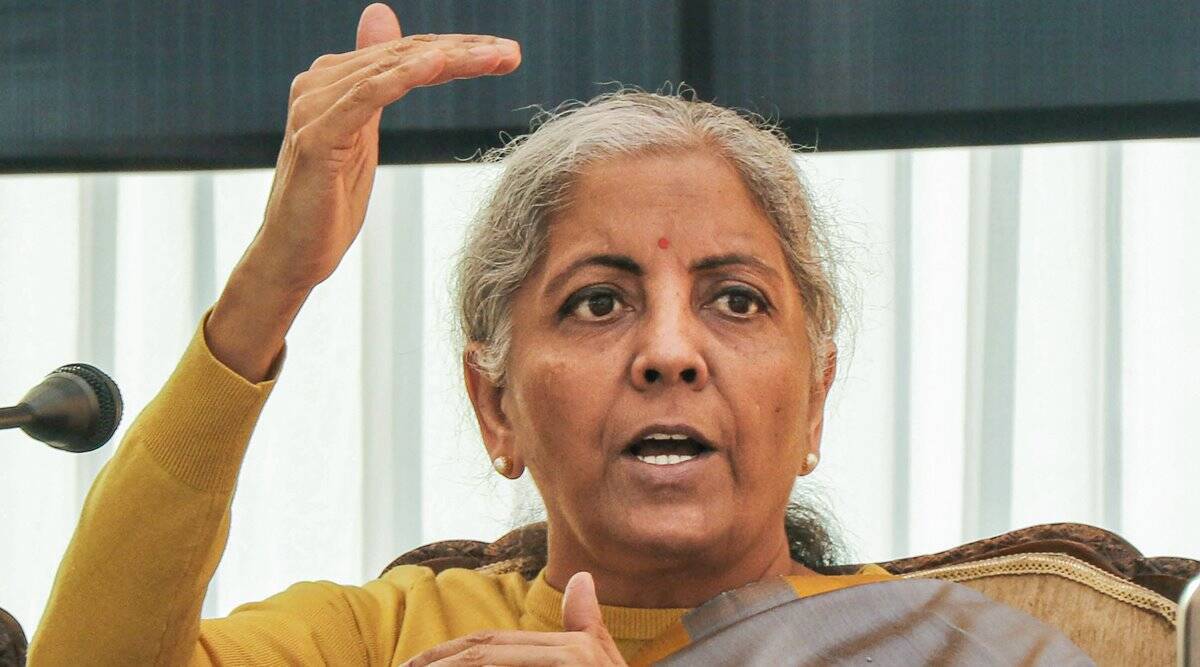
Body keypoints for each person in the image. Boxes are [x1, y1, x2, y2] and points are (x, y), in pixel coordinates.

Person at [29, 4, 1093, 665]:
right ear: (496, 405)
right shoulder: (386, 641)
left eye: (735, 300)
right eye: (598, 301)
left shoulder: (949, 651)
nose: (670, 351)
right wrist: (274, 278)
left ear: (815, 400)